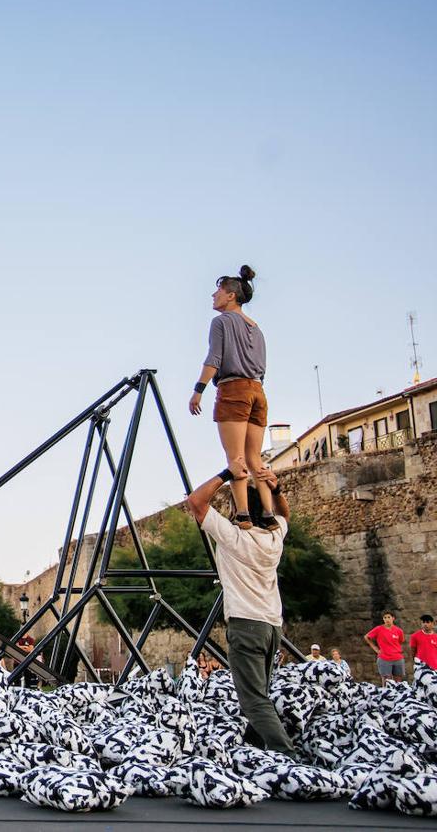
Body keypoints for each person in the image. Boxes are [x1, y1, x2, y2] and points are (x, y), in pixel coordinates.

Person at [186, 464, 296, 758]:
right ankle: (255, 748)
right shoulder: (274, 540)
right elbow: (285, 515)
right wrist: (276, 489)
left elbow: (196, 502)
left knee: (253, 699)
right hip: (272, 626)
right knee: (260, 692)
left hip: (247, 624)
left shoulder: (234, 538)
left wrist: (226, 473)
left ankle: (285, 754)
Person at [188, 265, 276, 530]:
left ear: (230, 296)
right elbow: (263, 366)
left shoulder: (221, 322)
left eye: (218, 291)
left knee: (235, 459)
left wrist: (198, 391)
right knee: (255, 459)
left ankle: (244, 515)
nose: (213, 295)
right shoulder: (256, 328)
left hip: (233, 389)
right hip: (257, 391)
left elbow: (214, 359)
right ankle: (269, 514)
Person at [364, 611, 406, 685]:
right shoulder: (379, 629)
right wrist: (375, 648)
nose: (387, 619)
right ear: (383, 619)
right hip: (384, 658)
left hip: (398, 658)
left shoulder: (399, 631)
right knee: (387, 681)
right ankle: (386, 695)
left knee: (399, 682)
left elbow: (400, 641)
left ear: (393, 618)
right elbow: (367, 637)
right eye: (385, 617)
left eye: (389, 617)